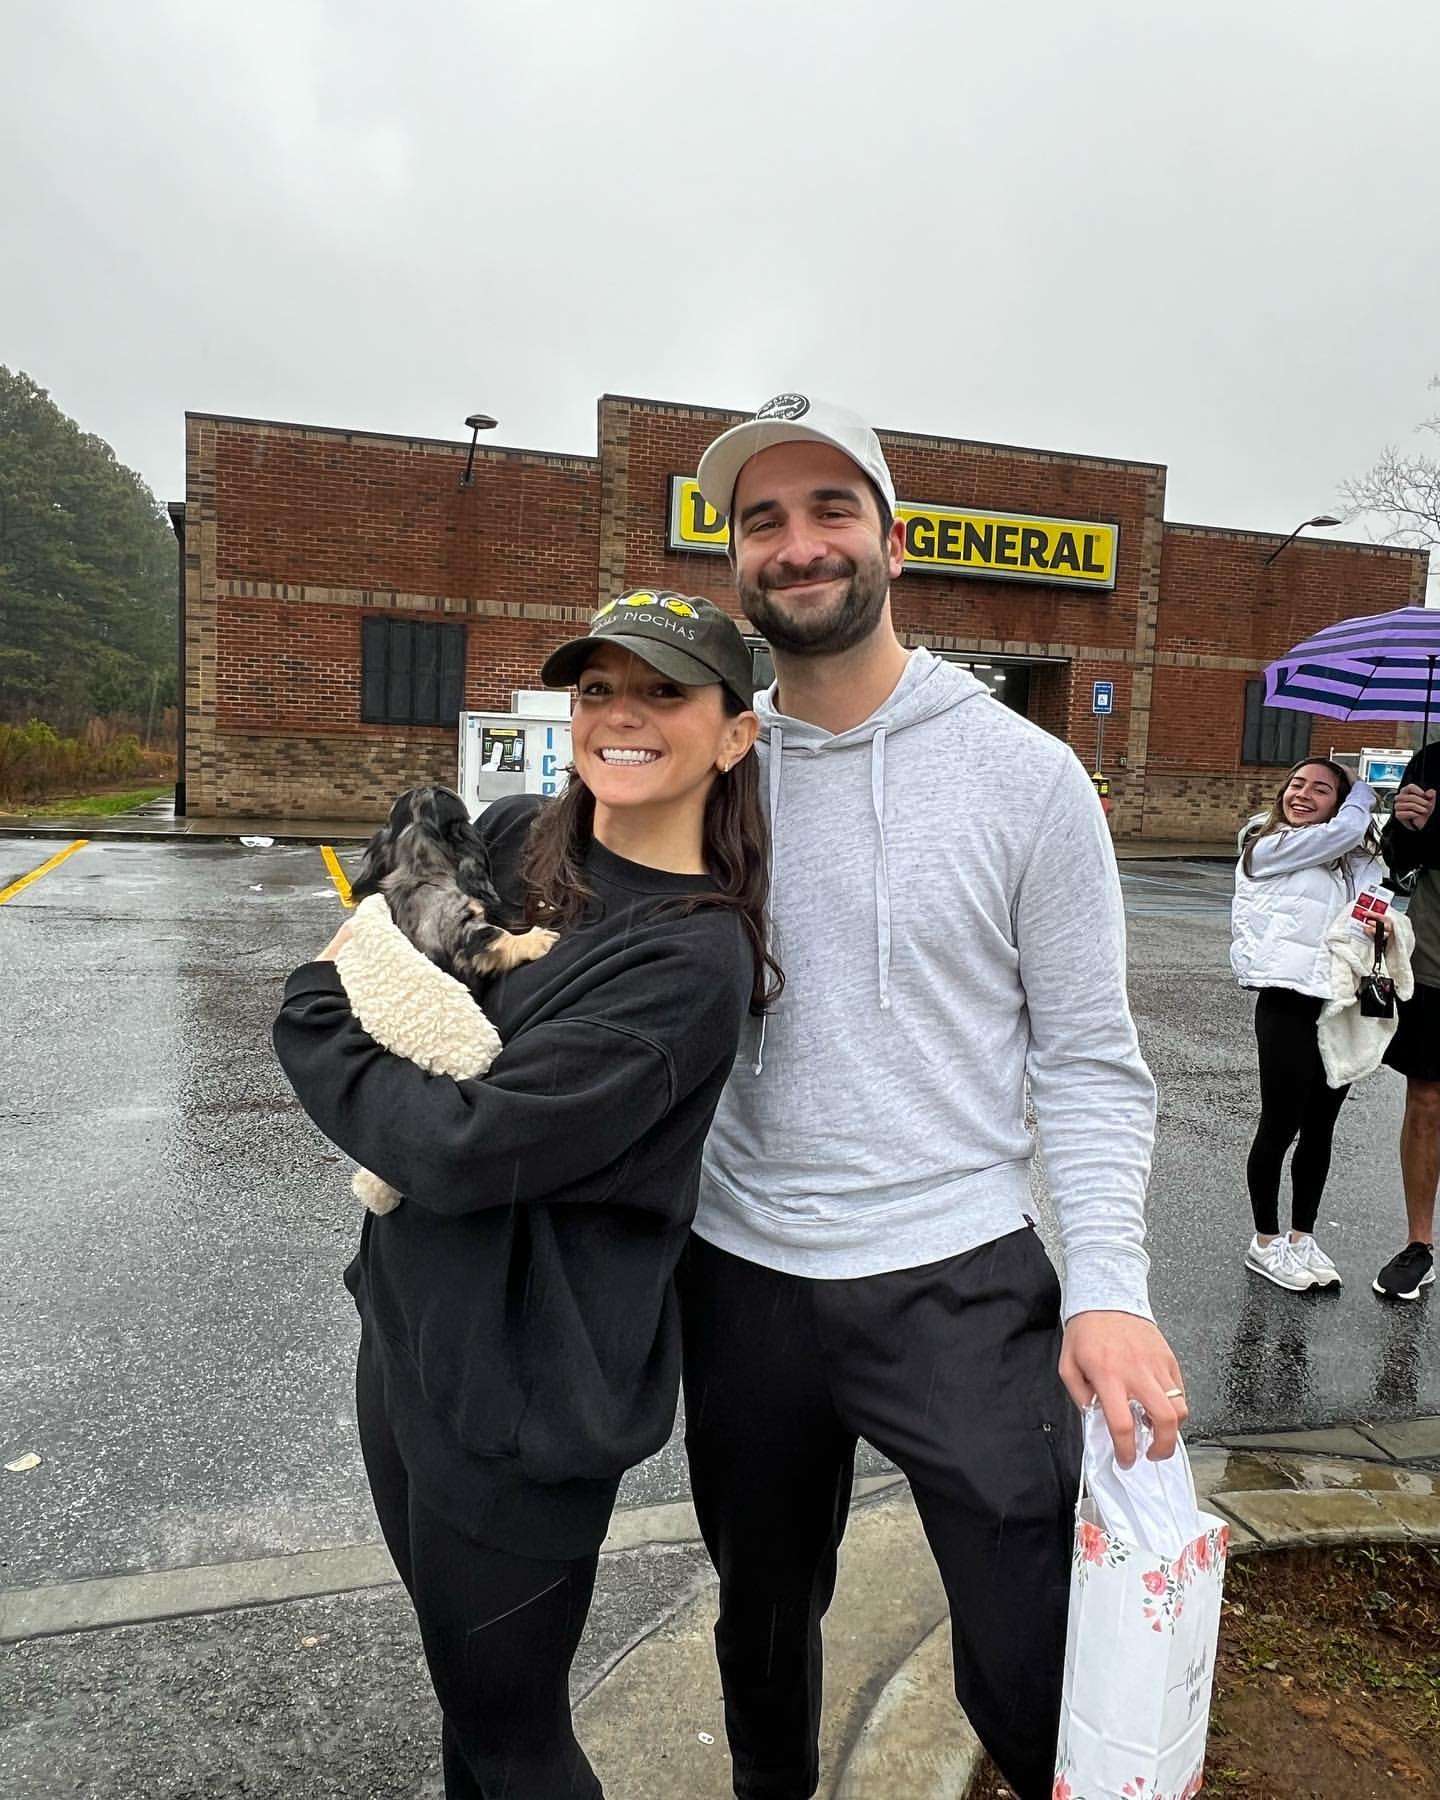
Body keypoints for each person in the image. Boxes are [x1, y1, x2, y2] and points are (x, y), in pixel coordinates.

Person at [678, 396, 1184, 1800]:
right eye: (761, 522)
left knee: (1031, 1667)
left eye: (829, 510)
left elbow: (1087, 1057)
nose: (797, 546)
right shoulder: (707, 769)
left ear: (892, 539)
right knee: (761, 1627)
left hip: (957, 1276)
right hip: (742, 1279)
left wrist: (1112, 1289)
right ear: (736, 566)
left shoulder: (1028, 779)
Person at [274, 593, 772, 1799]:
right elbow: (387, 931)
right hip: (407, 1332)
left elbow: (459, 1142)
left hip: (525, 1401)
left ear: (734, 735)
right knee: (463, 1706)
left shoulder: (691, 959)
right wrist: (355, 984)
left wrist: (309, 1013)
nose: (621, 716)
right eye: (598, 689)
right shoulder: (515, 836)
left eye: (663, 692)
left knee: (515, 1742)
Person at [1230, 759, 1382, 1291]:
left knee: (1321, 1127)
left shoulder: (1347, 856)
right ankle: (1265, 1241)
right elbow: (1339, 832)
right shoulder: (1264, 841)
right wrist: (1361, 798)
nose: (1303, 794)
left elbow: (1371, 899)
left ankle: (1301, 1237)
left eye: (1321, 790)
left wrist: (1375, 900)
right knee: (1280, 1124)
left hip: (1337, 1001)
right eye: (1298, 784)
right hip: (1287, 1000)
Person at [1378, 744, 1440, 1300]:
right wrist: (1408, 827)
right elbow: (1398, 865)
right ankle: (1419, 1243)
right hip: (1435, 961)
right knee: (1426, 1098)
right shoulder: (1432, 761)